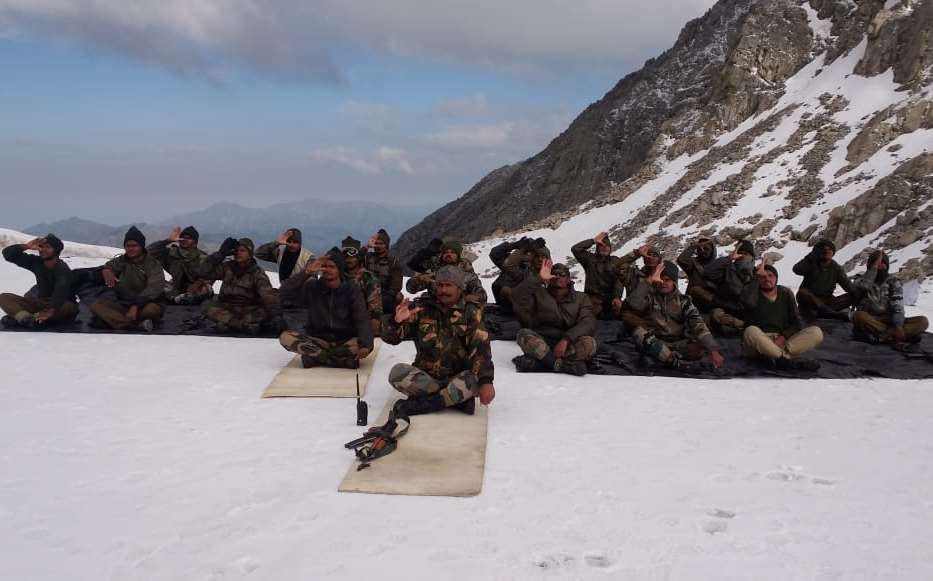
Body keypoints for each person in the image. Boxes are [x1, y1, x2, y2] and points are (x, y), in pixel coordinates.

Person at [381, 266, 495, 418]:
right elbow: (391, 339)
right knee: (397, 373)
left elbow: (481, 348)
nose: (443, 290)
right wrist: (396, 321)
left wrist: (486, 381)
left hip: (458, 377)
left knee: (472, 380)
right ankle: (453, 399)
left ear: (459, 288)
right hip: (427, 378)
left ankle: (421, 405)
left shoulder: (471, 312)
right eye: (440, 285)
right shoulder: (421, 308)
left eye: (448, 285)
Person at [279, 248, 374, 368]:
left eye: (331, 267)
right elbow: (284, 293)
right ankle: (334, 359)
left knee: (366, 343)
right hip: (318, 340)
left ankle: (316, 357)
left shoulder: (351, 290)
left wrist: (366, 346)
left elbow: (362, 319)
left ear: (339, 269)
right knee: (286, 337)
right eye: (324, 266)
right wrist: (306, 272)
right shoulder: (312, 287)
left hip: (344, 341)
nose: (327, 270)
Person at [624, 261, 724, 374]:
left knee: (700, 345)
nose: (663, 283)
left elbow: (698, 324)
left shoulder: (684, 301)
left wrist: (713, 350)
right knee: (638, 333)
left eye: (667, 280)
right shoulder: (650, 298)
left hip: (679, 343)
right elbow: (633, 303)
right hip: (656, 342)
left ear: (674, 282)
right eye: (660, 279)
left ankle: (666, 358)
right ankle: (674, 362)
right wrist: (649, 280)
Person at [512, 260, 597, 376]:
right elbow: (516, 296)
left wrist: (566, 339)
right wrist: (539, 278)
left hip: (568, 343)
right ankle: (560, 365)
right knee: (523, 335)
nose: (558, 277)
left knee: (589, 344)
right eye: (554, 274)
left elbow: (588, 322)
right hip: (542, 341)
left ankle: (541, 363)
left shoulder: (581, 298)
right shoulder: (538, 294)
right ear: (549, 278)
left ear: (568, 279)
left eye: (562, 274)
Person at [740, 260, 823, 370]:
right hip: (758, 341)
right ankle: (786, 361)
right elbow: (748, 303)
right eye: (762, 277)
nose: (767, 279)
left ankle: (776, 357)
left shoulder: (785, 293)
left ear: (776, 278)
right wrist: (755, 277)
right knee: (751, 330)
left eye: (770, 276)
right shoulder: (752, 293)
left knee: (816, 332)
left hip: (781, 341)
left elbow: (797, 321)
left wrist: (784, 336)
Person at [89, 226, 166, 331]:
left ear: (141, 246)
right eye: (127, 246)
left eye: (134, 246)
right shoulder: (120, 261)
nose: (131, 249)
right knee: (96, 306)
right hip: (124, 304)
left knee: (151, 310)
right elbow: (108, 266)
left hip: (146, 303)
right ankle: (135, 325)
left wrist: (135, 305)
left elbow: (154, 288)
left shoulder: (153, 264)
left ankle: (114, 321)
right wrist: (106, 270)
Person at [199, 237, 280, 334]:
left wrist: (276, 316)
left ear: (250, 254)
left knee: (264, 312)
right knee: (206, 306)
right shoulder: (227, 267)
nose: (238, 253)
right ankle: (241, 325)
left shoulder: (257, 273)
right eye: (236, 251)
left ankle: (229, 324)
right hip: (227, 308)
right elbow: (203, 272)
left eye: (242, 251)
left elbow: (268, 296)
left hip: (248, 310)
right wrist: (220, 254)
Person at [852, 250, 929, 347]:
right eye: (877, 263)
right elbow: (865, 286)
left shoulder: (893, 281)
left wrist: (898, 326)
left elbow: (898, 305)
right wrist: (873, 269)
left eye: (883, 263)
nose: (880, 265)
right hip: (871, 319)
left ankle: (885, 336)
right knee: (859, 316)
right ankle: (900, 336)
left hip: (889, 320)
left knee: (923, 321)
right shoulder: (860, 278)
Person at [0, 234, 78, 328]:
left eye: (48, 247)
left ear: (56, 250)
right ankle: (28, 319)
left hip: (61, 304)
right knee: (4, 297)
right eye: (41, 246)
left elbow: (61, 292)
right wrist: (26, 246)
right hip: (41, 303)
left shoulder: (62, 269)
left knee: (68, 308)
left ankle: (26, 317)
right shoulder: (37, 262)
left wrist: (50, 311)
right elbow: (8, 254)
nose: (43, 250)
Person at [407, 239, 487, 305]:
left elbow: (482, 294)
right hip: (435, 308)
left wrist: (474, 297)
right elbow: (410, 289)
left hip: (460, 310)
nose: (449, 254)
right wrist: (418, 280)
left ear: (458, 255)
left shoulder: (466, 274)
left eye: (452, 252)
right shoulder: (434, 272)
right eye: (446, 252)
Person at [147, 225, 213, 305]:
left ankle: (178, 299)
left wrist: (198, 283)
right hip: (175, 286)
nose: (184, 240)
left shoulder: (202, 257)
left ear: (195, 242)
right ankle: (177, 299)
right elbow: (148, 252)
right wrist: (168, 240)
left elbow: (211, 274)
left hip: (194, 287)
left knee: (207, 289)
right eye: (182, 237)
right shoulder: (171, 253)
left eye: (188, 238)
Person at [792, 239, 855, 320]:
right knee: (803, 292)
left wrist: (858, 293)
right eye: (823, 249)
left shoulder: (836, 268)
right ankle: (829, 313)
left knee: (855, 295)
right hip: (810, 301)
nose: (827, 252)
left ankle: (824, 312)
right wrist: (810, 256)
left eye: (829, 249)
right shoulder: (812, 263)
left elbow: (848, 286)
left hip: (828, 301)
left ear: (833, 252)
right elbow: (797, 269)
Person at [704, 240, 757, 331]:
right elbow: (708, 272)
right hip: (726, 310)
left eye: (746, 254)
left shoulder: (757, 274)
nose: (742, 256)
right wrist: (729, 258)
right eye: (740, 253)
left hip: (747, 313)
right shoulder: (727, 269)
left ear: (752, 257)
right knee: (717, 314)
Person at [571, 232, 624, 319]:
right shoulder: (589, 259)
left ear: (610, 248)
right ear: (597, 247)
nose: (604, 247)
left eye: (607, 245)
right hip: (591, 299)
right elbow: (575, 249)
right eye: (601, 245)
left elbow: (619, 280)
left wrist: (617, 297)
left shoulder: (615, 261)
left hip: (610, 300)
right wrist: (593, 241)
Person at [489, 236, 550, 311]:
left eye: (530, 253)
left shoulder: (538, 273)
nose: (527, 256)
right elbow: (495, 254)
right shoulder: (513, 262)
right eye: (526, 252)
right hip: (507, 306)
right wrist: (514, 245)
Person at [341, 236, 383, 336]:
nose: (349, 260)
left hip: (360, 322)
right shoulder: (337, 276)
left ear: (358, 258)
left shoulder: (368, 278)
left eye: (352, 257)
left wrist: (373, 325)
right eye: (346, 257)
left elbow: (375, 309)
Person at [617, 244, 663, 332]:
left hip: (657, 318)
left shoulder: (665, 277)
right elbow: (617, 266)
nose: (651, 258)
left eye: (654, 255)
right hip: (634, 317)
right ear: (644, 258)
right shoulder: (633, 275)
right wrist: (637, 253)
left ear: (659, 259)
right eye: (648, 255)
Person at [363, 229, 403, 314]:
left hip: (385, 294)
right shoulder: (367, 258)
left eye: (381, 244)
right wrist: (366, 247)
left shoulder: (393, 261)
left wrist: (384, 297)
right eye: (376, 243)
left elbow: (396, 284)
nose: (378, 246)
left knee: (398, 296)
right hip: (367, 292)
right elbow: (354, 259)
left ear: (386, 245)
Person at [677, 236, 718, 312]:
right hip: (695, 302)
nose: (702, 251)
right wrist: (694, 246)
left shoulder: (718, 265)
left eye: (706, 249)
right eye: (699, 249)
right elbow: (681, 260)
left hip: (714, 302)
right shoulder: (693, 263)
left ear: (712, 250)